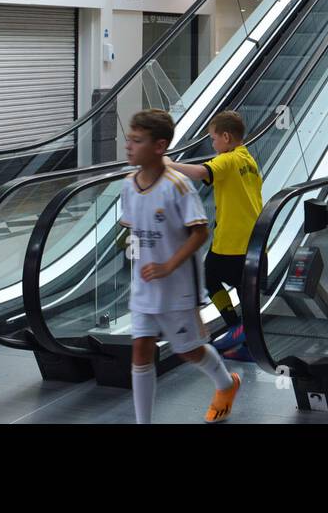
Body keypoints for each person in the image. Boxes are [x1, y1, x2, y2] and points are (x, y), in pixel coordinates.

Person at [119, 109, 240, 424]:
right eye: (128, 139)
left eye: (137, 140)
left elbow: (200, 232)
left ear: (159, 146)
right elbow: (132, 229)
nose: (128, 146)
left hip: (177, 288)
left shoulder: (178, 186)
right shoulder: (129, 185)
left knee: (188, 351)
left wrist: (169, 267)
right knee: (141, 349)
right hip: (145, 287)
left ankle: (226, 384)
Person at [166, 110, 263, 361]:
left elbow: (201, 172)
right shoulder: (248, 160)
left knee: (209, 277)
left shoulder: (228, 159)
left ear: (227, 137)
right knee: (244, 290)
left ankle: (234, 327)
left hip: (231, 240)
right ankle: (250, 345)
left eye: (213, 138)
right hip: (254, 237)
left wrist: (169, 165)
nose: (212, 144)